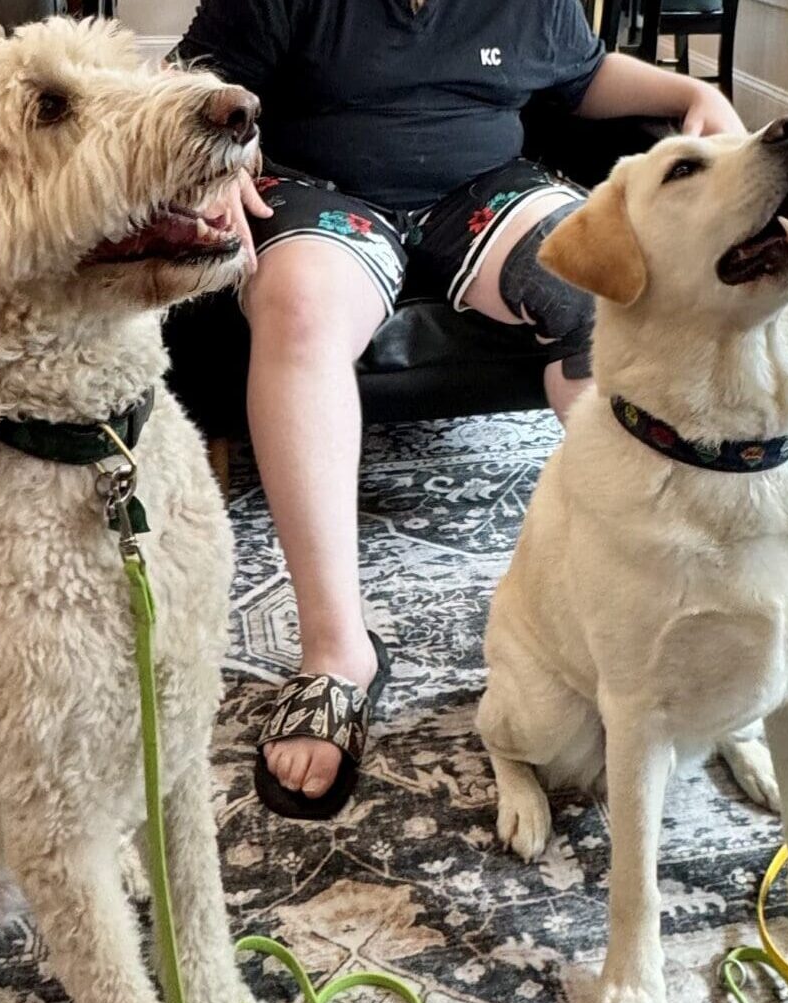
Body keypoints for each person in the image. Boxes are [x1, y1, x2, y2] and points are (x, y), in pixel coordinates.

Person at [172, 0, 744, 819]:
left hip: (483, 190)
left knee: (605, 289)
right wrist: (210, 161)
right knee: (296, 308)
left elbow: (579, 76)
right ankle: (338, 654)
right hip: (320, 191)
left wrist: (689, 93)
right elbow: (194, 83)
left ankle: (663, 606)